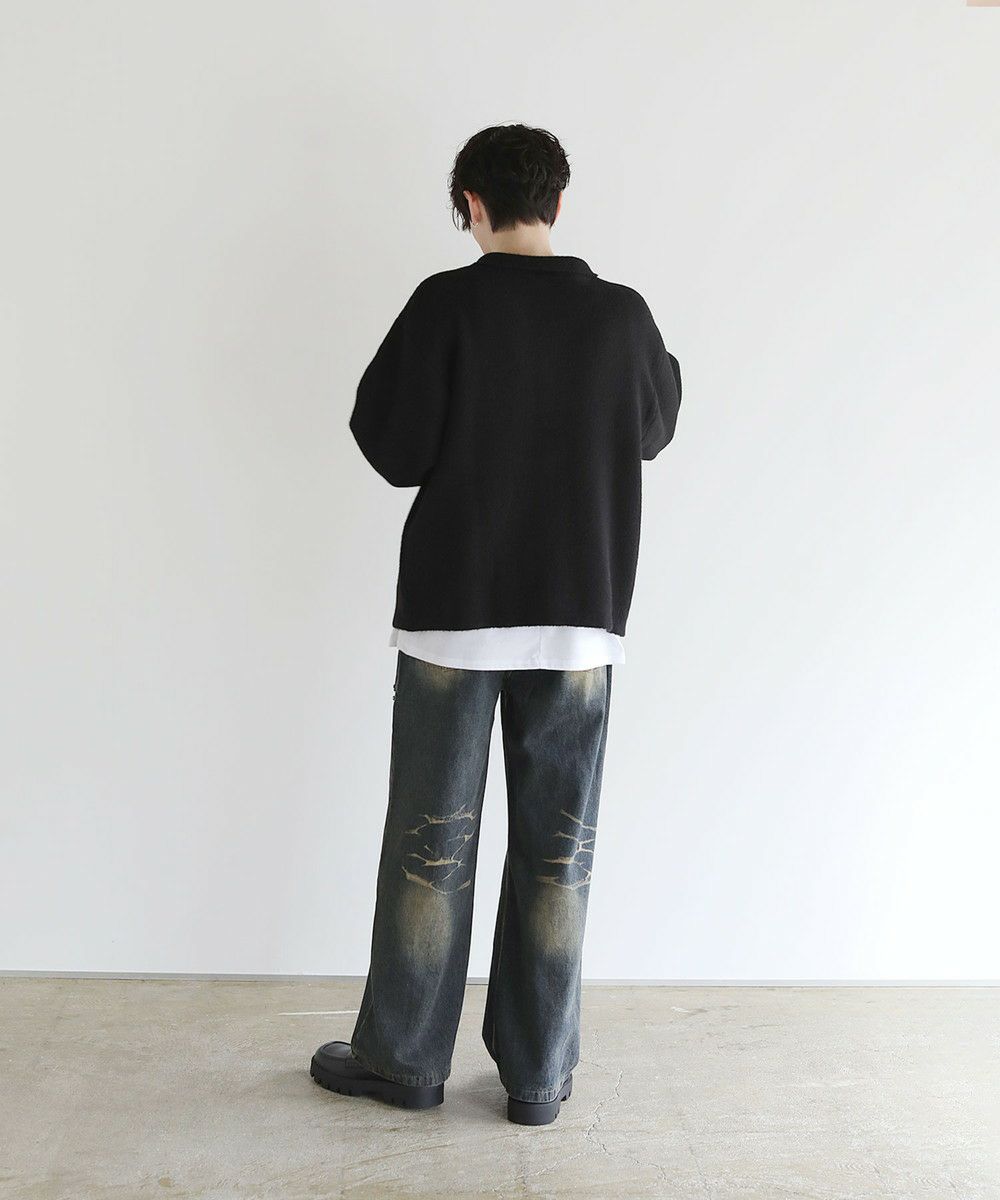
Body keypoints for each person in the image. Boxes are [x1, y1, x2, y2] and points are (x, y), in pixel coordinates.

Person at [310, 123, 681, 1126]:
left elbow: (390, 444)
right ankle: (536, 1077)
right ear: (557, 203)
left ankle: (405, 1062)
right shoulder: (620, 317)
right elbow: (655, 425)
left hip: (455, 616)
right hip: (579, 616)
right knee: (560, 854)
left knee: (430, 848)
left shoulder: (446, 304)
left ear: (471, 204)